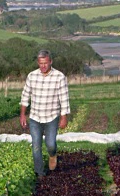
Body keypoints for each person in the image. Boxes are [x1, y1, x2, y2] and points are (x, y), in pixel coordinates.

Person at [20, 49, 70, 177]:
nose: (43, 66)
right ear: (38, 62)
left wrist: (63, 117)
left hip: (51, 117)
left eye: (45, 63)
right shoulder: (32, 76)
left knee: (50, 144)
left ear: (50, 62)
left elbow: (63, 98)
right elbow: (25, 96)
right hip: (35, 117)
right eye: (41, 63)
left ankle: (52, 154)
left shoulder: (59, 77)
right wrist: (22, 114)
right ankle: (40, 173)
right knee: (36, 145)